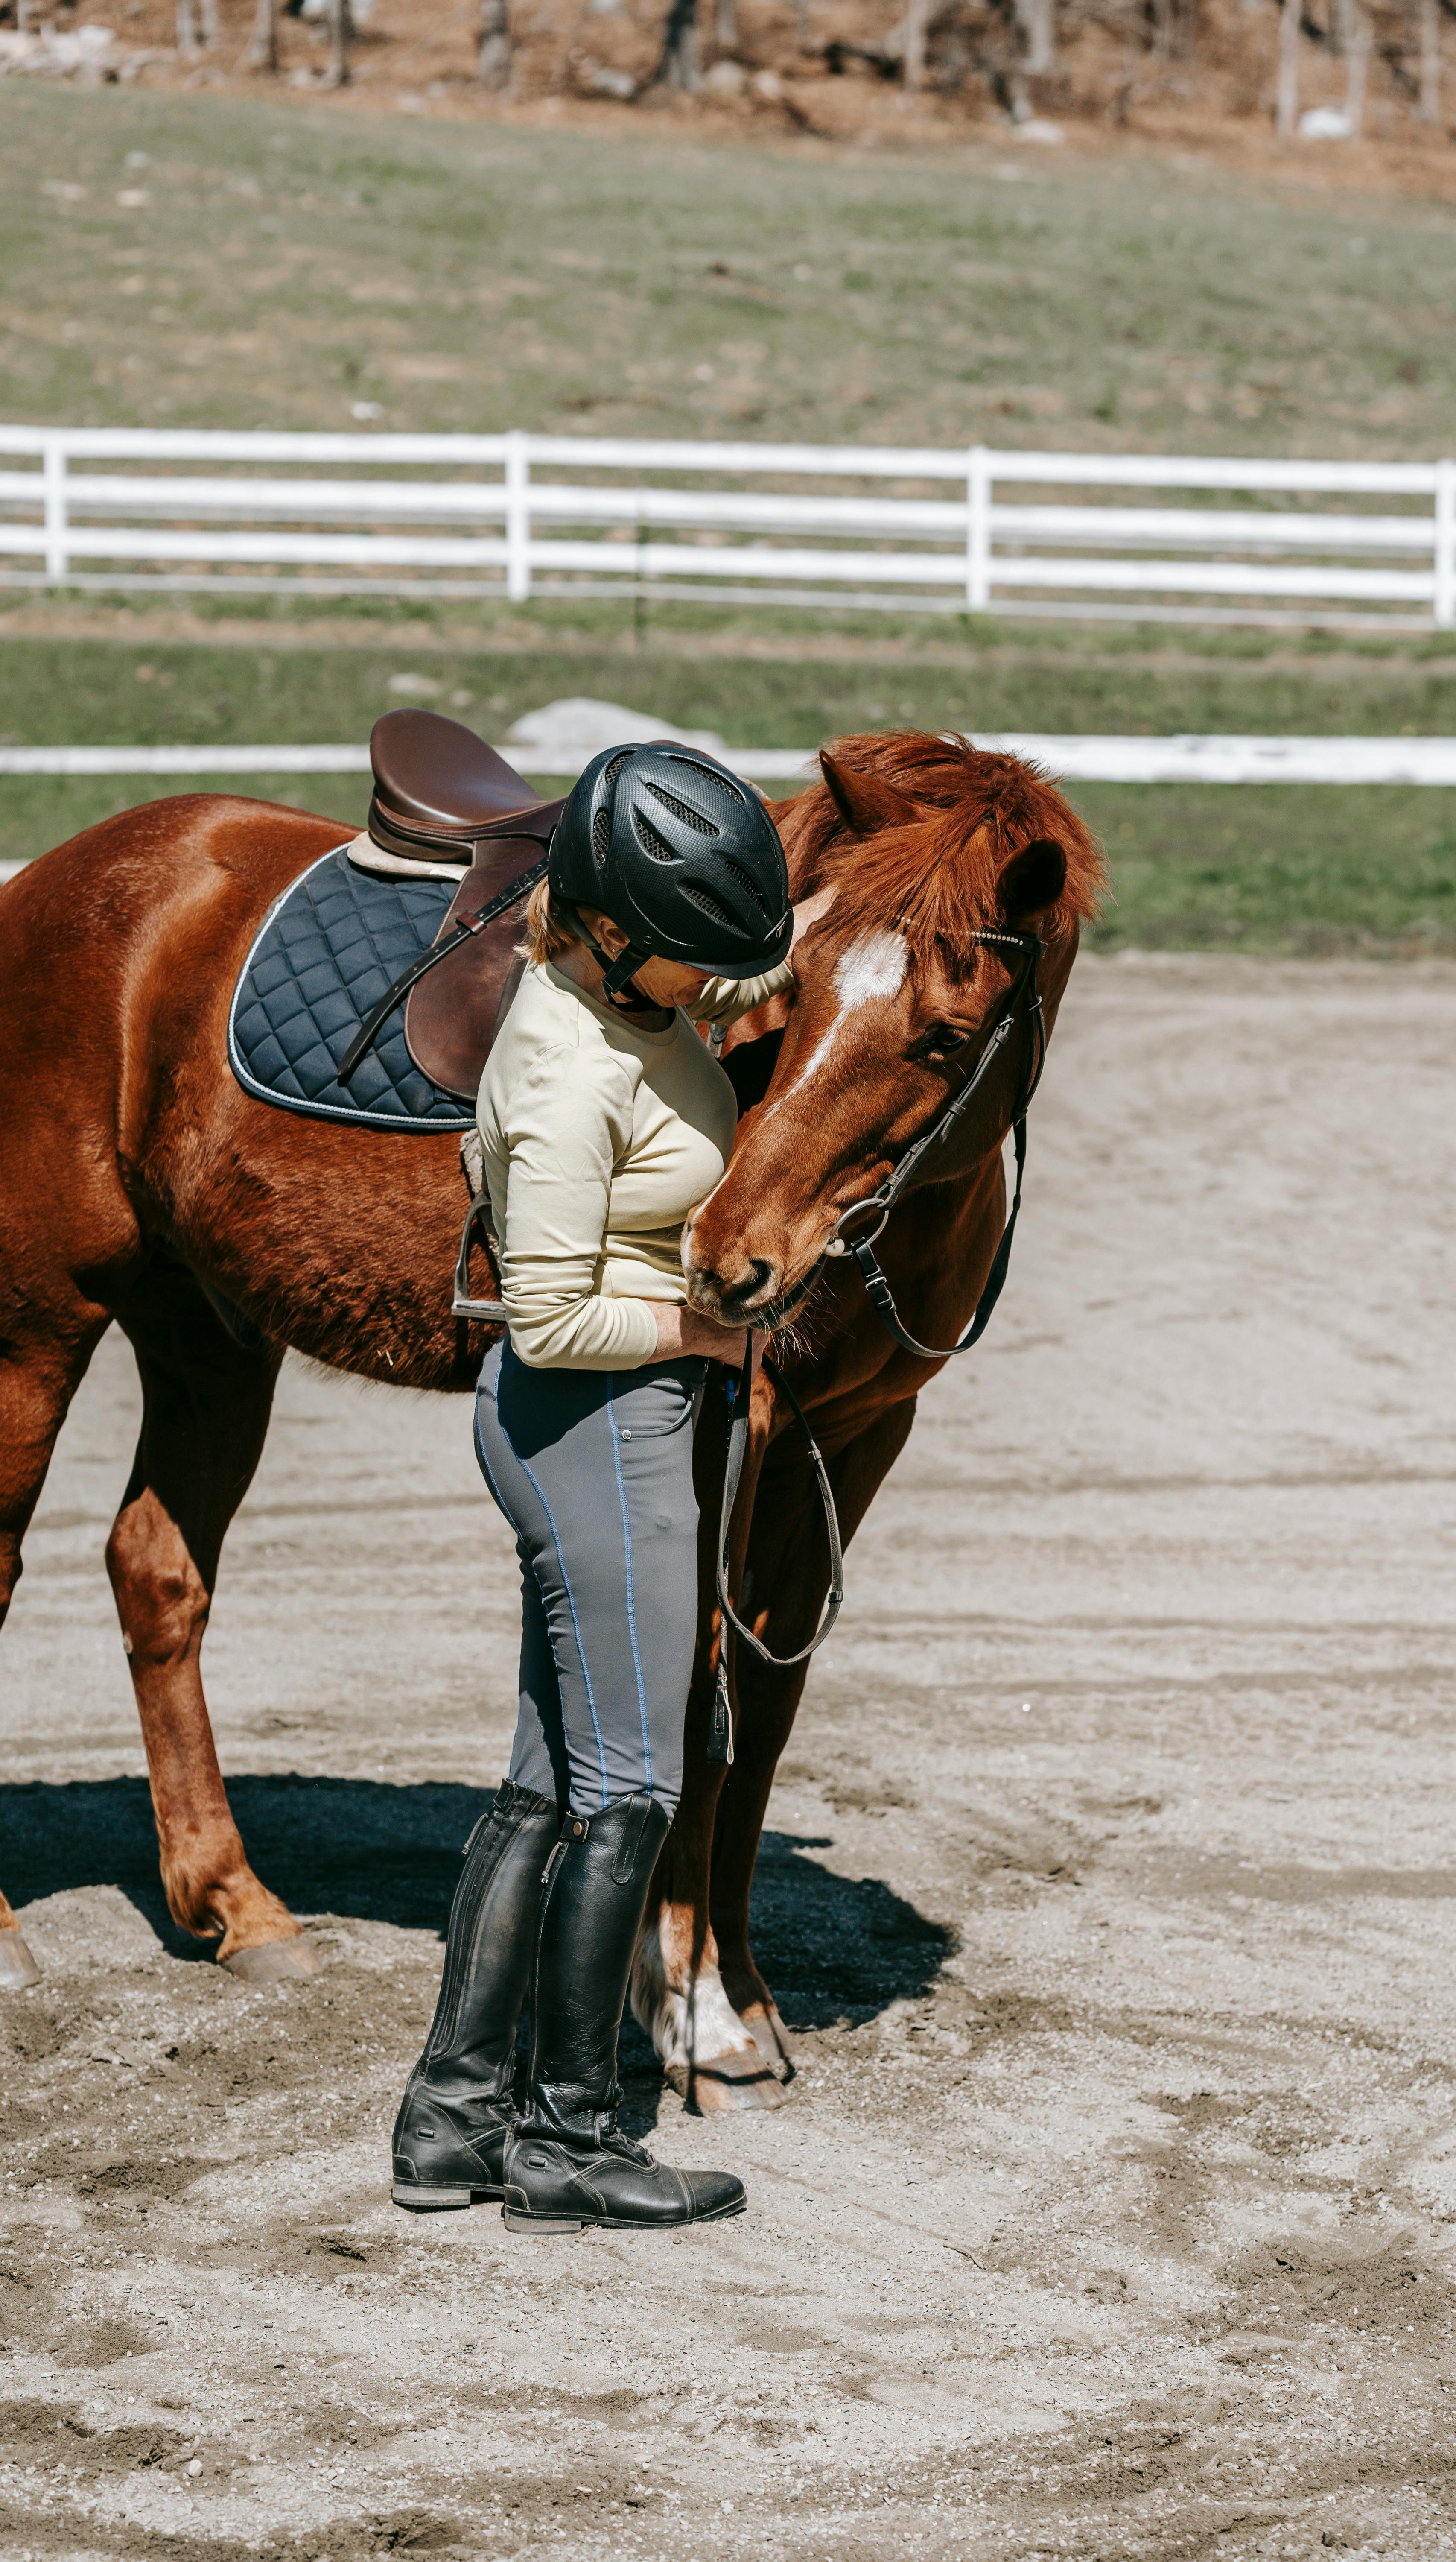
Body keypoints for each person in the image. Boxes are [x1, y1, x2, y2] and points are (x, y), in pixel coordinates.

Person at [390, 742, 831, 2237]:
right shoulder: (567, 1068)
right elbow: (553, 1313)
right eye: (690, 952)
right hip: (602, 1424)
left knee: (543, 1787)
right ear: (612, 925)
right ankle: (574, 2139)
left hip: (607, 1423)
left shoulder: (610, 996)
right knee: (633, 1789)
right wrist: (720, 1329)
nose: (713, 978)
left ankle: (452, 2122)